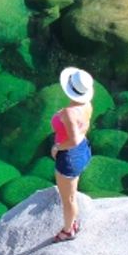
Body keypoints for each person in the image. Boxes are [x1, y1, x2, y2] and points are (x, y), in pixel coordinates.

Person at [50, 66, 94, 242]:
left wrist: (57, 147)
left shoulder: (69, 113)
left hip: (69, 155)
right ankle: (72, 222)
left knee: (68, 199)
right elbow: (83, 129)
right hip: (83, 149)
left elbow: (73, 140)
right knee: (71, 193)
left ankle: (68, 230)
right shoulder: (86, 104)